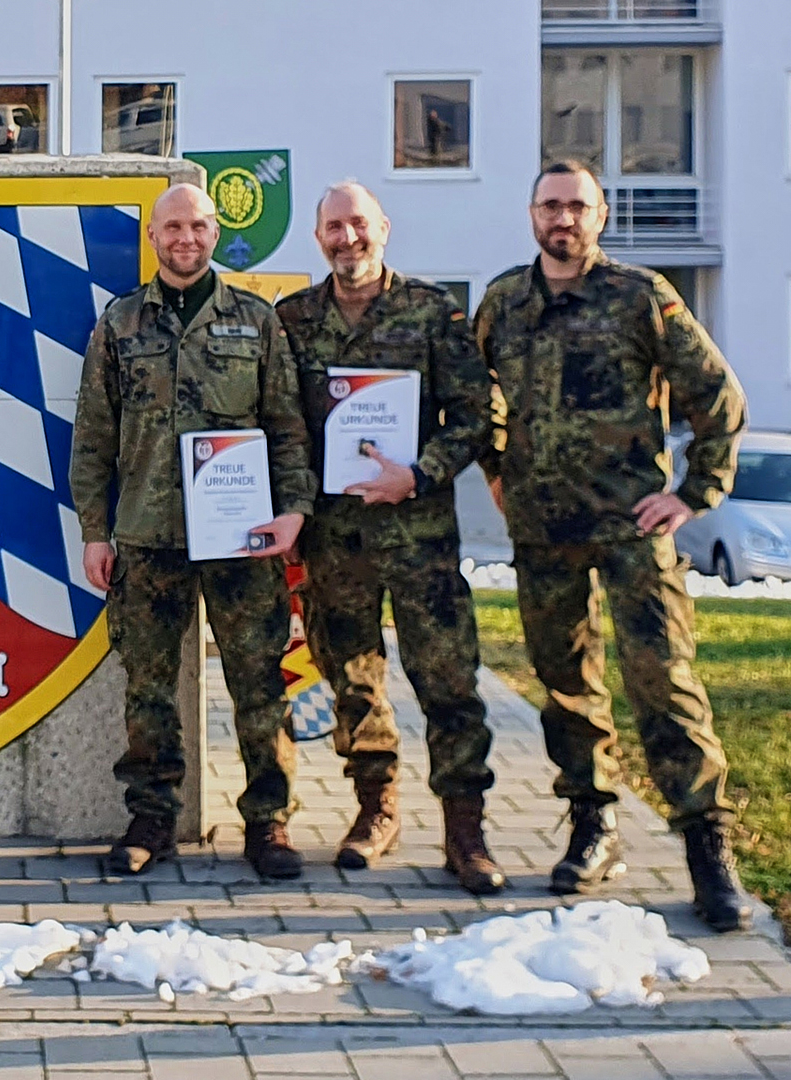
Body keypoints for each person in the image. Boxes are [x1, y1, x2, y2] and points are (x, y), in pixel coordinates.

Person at [476, 159, 750, 931]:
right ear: (532, 215)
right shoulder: (505, 300)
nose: (562, 220)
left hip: (633, 529)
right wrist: (498, 469)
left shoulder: (642, 296)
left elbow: (719, 399)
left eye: (577, 207)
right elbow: (475, 397)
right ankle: (591, 824)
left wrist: (693, 495)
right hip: (543, 530)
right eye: (550, 206)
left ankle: (705, 845)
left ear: (600, 216)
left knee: (662, 683)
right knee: (565, 687)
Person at [70, 182, 316, 879]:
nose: (186, 238)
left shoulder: (256, 320)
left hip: (242, 540)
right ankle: (152, 817)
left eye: (198, 227)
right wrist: (96, 530)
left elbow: (288, 428)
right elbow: (93, 437)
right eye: (172, 227)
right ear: (153, 237)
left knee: (258, 681)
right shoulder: (119, 324)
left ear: (215, 233)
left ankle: (269, 822)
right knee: (148, 685)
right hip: (148, 538)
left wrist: (293, 511)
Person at [274, 181, 503, 893]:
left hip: (420, 537)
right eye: (334, 227)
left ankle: (467, 831)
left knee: (449, 683)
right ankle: (377, 811)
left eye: (360, 224)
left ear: (384, 229)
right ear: (318, 239)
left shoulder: (433, 313)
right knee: (352, 683)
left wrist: (422, 473)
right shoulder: (292, 320)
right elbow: (278, 424)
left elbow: (477, 415)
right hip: (334, 542)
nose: (348, 238)